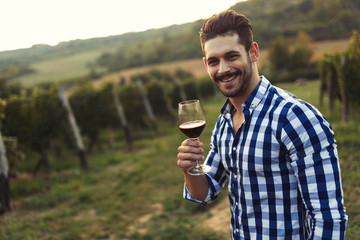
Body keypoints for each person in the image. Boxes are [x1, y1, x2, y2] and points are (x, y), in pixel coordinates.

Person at [177, 10, 347, 239]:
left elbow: (329, 218)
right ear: (206, 64)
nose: (223, 69)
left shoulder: (295, 117)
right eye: (214, 61)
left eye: (232, 56)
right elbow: (205, 193)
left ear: (253, 52)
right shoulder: (223, 123)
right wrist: (190, 169)